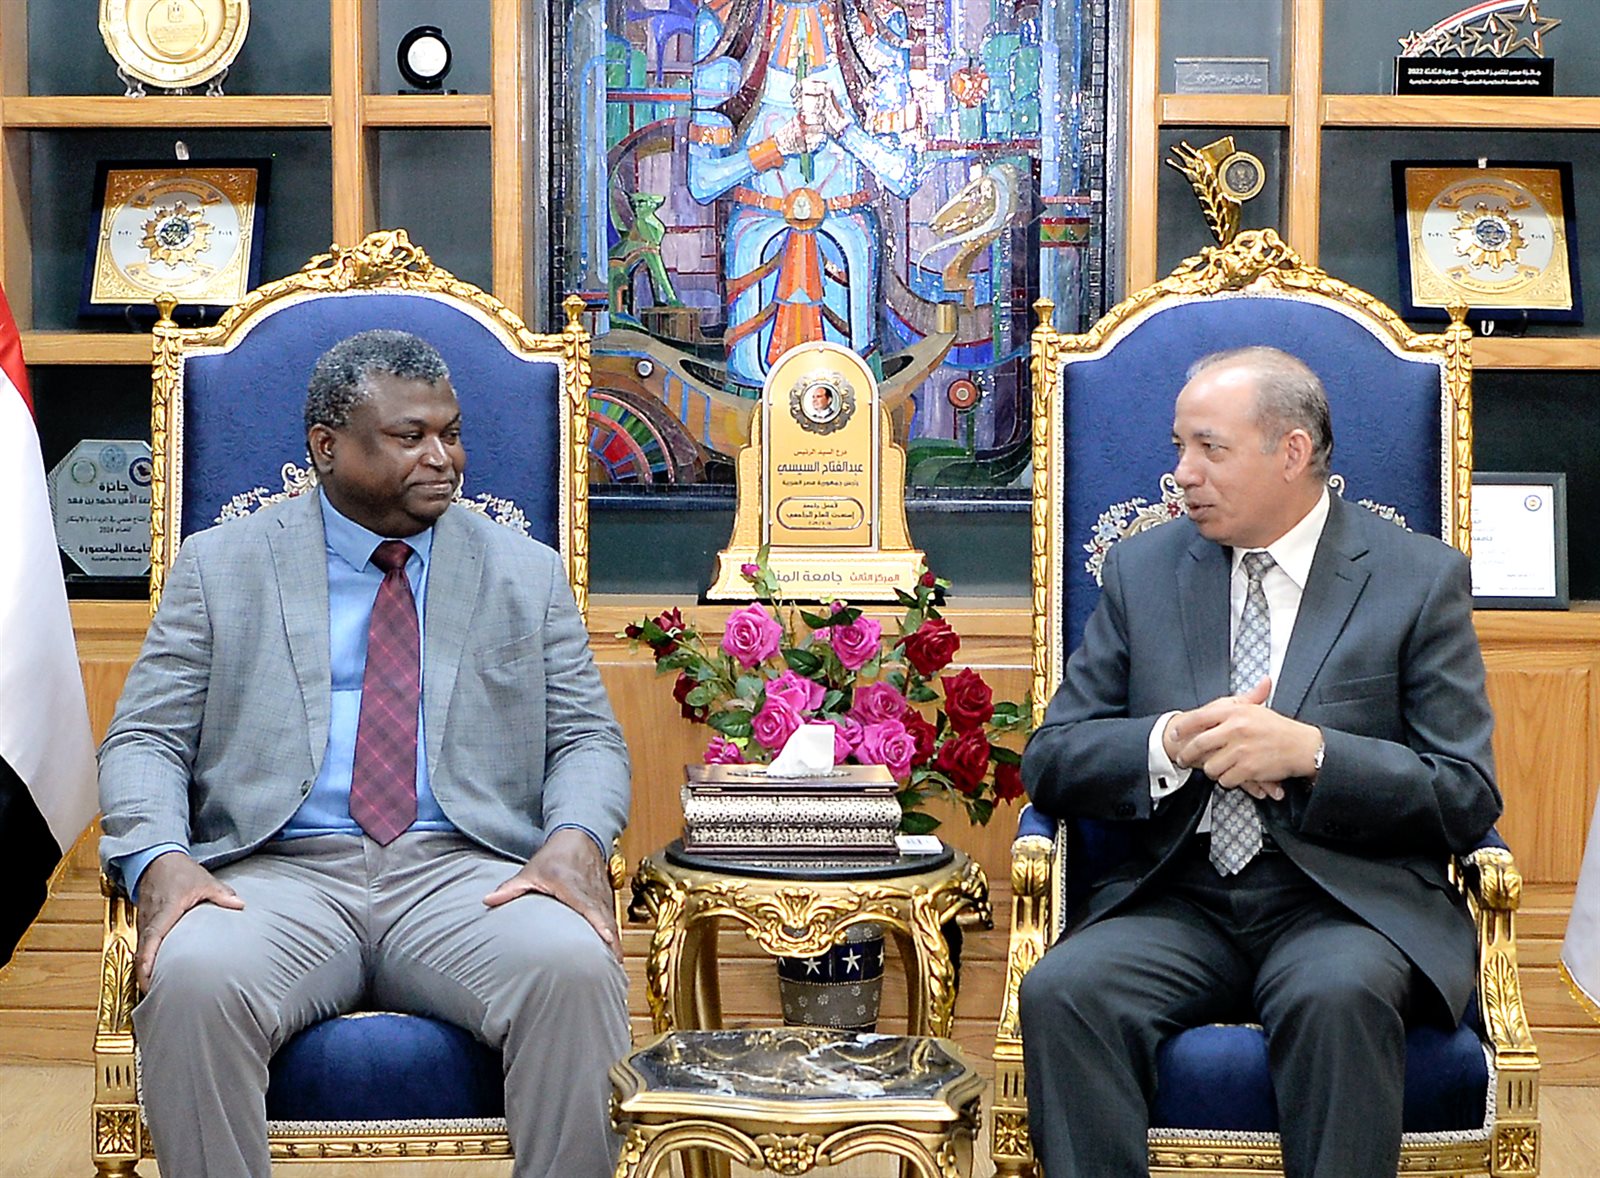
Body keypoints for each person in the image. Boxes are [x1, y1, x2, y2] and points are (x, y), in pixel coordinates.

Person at [98, 329, 632, 1178]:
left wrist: (576, 837)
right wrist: (159, 856)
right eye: (409, 436)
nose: (443, 458)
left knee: (571, 967)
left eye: (451, 433)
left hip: (465, 872)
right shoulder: (221, 565)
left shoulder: (524, 572)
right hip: (275, 874)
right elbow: (145, 738)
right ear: (327, 446)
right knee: (194, 978)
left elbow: (586, 738)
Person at [1018, 346, 1502, 1178]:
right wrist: (1171, 742)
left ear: (1292, 452)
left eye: (1210, 448)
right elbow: (1052, 760)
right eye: (1179, 447)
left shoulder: (1416, 579)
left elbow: (1464, 792)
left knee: (1338, 995)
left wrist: (1313, 754)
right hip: (1179, 899)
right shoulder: (1143, 570)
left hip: (1345, 905)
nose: (1183, 474)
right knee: (1064, 990)